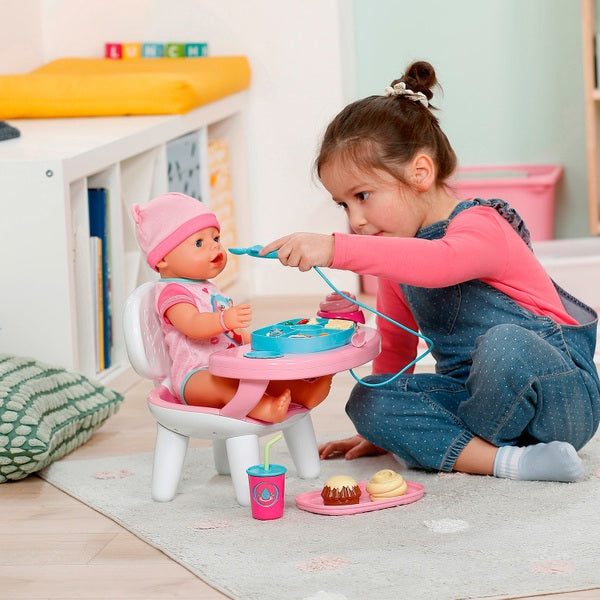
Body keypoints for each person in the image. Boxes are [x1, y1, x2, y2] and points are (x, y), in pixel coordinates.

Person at [260, 61, 600, 481]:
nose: (357, 219)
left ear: (420, 172)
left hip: (558, 401)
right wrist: (381, 430)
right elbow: (396, 349)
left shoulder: (480, 225)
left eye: (363, 195)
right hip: (475, 403)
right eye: (344, 205)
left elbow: (442, 263)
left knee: (505, 344)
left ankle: (455, 445)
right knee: (369, 399)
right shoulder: (394, 259)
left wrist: (333, 247)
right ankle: (511, 462)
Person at [132, 192, 332, 423]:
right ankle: (262, 407)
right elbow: (192, 325)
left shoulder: (209, 288)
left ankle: (302, 391)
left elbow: (230, 334)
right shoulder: (173, 292)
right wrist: (223, 320)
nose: (214, 248)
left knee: (262, 372)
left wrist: (255, 342)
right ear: (162, 259)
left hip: (228, 364)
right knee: (225, 385)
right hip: (195, 376)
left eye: (216, 239)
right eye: (199, 243)